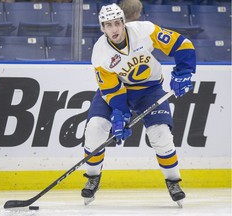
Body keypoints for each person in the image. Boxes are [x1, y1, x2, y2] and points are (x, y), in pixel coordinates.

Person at [81, 3, 196, 207]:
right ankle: (92, 176)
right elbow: (111, 89)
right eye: (108, 25)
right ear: (102, 27)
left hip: (149, 90)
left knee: (160, 133)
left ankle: (173, 181)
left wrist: (184, 72)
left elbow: (182, 44)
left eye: (117, 23)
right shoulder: (100, 52)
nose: (114, 29)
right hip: (117, 91)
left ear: (124, 22)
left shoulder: (145, 31)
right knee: (95, 128)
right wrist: (120, 114)